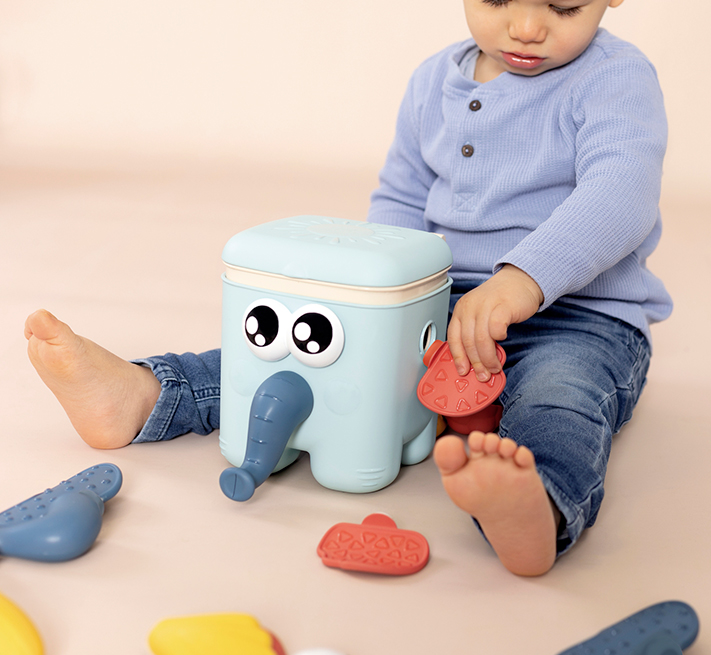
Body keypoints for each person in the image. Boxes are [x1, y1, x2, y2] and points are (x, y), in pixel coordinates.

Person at [24, 0, 670, 577]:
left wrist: (522, 281)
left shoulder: (615, 79)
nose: (526, 27)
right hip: (438, 304)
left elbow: (621, 195)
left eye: (563, 6)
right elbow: (402, 197)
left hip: (579, 317)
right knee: (303, 354)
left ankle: (539, 507)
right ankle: (146, 397)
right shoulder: (432, 81)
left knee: (560, 396)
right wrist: (384, 292)